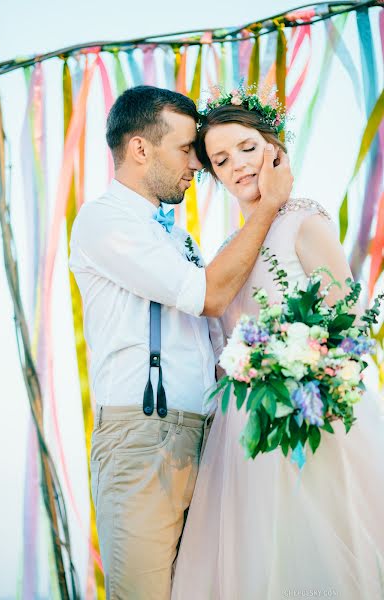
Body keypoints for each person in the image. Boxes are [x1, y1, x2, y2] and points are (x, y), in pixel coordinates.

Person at [69, 85, 293, 600]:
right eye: (186, 149)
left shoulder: (178, 236)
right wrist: (268, 208)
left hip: (207, 439)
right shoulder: (105, 221)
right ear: (140, 149)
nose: (198, 164)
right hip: (144, 439)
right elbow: (207, 296)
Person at [171, 90, 384, 599]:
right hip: (238, 433)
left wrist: (298, 365)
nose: (238, 165)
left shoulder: (303, 221)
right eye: (221, 160)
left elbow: (349, 322)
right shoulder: (226, 251)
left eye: (246, 148)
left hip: (306, 415)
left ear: (273, 148)